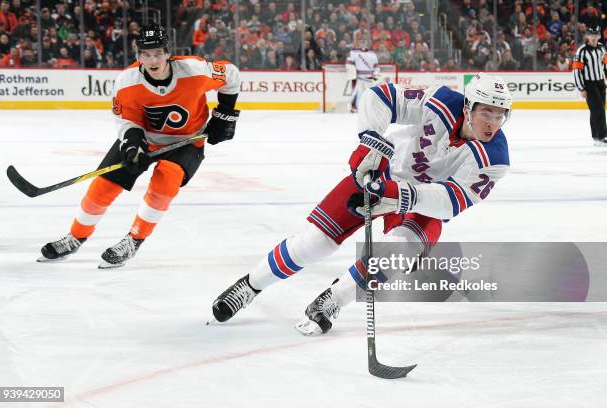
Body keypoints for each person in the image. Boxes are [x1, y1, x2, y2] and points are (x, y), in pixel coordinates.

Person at [211, 73, 512, 335]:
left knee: (399, 249)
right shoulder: (442, 101)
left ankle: (333, 299)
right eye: (486, 112)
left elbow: (450, 203)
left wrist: (397, 195)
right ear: (468, 106)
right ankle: (249, 286)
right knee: (315, 243)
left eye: (500, 115)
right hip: (384, 174)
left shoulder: (494, 158)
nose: (493, 123)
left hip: (422, 205)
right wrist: (370, 142)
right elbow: (379, 96)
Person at [38, 24, 240, 268]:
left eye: (157, 53)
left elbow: (231, 74)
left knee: (166, 181)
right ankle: (76, 236)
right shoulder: (126, 82)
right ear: (138, 55)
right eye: (146, 54)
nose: (152, 60)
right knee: (102, 187)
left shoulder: (195, 70)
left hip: (186, 141)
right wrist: (134, 147)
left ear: (168, 53)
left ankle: (134, 239)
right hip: (145, 138)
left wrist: (225, 114)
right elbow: (127, 121)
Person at [572, 25, 607, 146]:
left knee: (597, 110)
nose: (593, 37)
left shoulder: (602, 48)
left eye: (595, 35)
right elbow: (576, 70)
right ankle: (602, 136)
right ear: (587, 36)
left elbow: (605, 65)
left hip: (600, 84)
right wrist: (581, 88)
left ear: (599, 36)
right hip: (589, 84)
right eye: (591, 35)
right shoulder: (581, 50)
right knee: (599, 110)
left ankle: (596, 137)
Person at [346, 39, 380, 113]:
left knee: (370, 93)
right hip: (359, 77)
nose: (363, 44)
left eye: (365, 42)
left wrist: (375, 75)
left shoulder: (373, 54)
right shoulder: (354, 53)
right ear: (359, 44)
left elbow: (376, 67)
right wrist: (353, 73)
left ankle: (370, 108)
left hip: (369, 78)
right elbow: (349, 64)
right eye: (362, 42)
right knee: (356, 92)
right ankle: (353, 107)